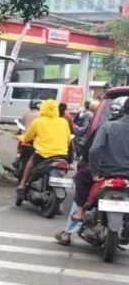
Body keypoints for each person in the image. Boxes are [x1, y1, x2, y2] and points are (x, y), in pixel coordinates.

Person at [57, 98, 128, 245]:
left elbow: (93, 150)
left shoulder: (107, 126)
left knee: (82, 178)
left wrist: (95, 173)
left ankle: (73, 223)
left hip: (105, 172)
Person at [16, 98, 70, 202]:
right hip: (62, 155)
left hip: (43, 154)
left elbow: (28, 137)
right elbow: (68, 139)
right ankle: (61, 205)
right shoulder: (63, 122)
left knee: (31, 161)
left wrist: (21, 138)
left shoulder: (38, 121)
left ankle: (22, 184)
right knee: (61, 177)